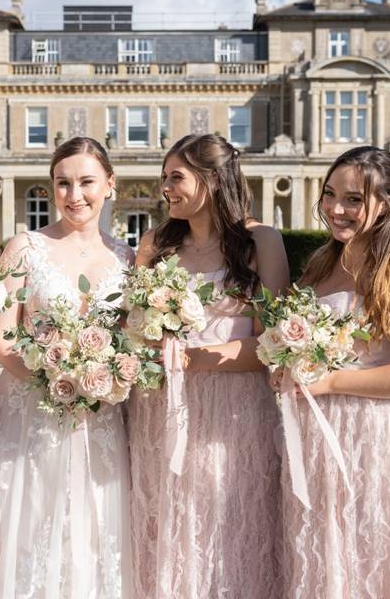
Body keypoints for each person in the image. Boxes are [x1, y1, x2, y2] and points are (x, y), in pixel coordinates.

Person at [276, 145, 390, 598]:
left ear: (387, 202)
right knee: (322, 557)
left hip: (369, 438)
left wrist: (332, 381)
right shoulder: (323, 262)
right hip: (314, 438)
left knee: (369, 558)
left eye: (354, 199)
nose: (336, 208)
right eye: (330, 194)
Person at [128, 133, 290, 598]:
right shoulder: (155, 243)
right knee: (169, 523)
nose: (166, 188)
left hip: (233, 415)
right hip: (161, 407)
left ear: (213, 179)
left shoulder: (261, 241)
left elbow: (271, 343)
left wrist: (192, 358)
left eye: (176, 177)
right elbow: (135, 329)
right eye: (164, 178)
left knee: (226, 526)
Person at [0, 137, 134, 598]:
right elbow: (1, 336)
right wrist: (56, 381)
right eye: (62, 184)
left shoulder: (127, 258)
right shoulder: (25, 248)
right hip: (32, 412)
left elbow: (130, 340)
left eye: (86, 182)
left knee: (93, 519)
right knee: (32, 515)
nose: (74, 195)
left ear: (110, 185)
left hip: (100, 418)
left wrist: (107, 377)